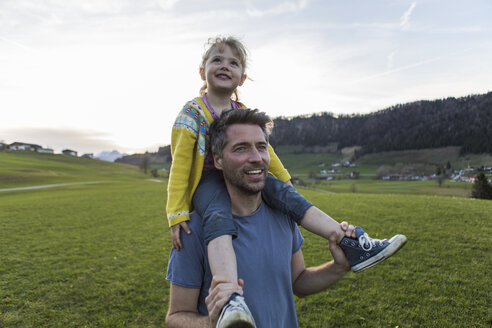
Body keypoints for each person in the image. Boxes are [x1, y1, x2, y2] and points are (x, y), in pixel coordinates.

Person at [165, 36, 407, 326]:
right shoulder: (192, 114)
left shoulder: (239, 112)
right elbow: (179, 164)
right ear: (202, 70)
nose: (224, 66)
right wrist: (176, 213)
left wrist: (283, 181)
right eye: (216, 60)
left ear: (242, 77)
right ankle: (229, 296)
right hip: (207, 183)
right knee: (218, 215)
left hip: (239, 181)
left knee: (291, 199)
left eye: (233, 62)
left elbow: (299, 281)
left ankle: (352, 245)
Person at [166, 108, 356, 327]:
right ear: (218, 159)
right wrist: (214, 322)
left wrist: (338, 267)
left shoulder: (284, 215)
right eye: (241, 148)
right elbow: (175, 317)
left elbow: (298, 281)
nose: (256, 158)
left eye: (261, 147)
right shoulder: (192, 230)